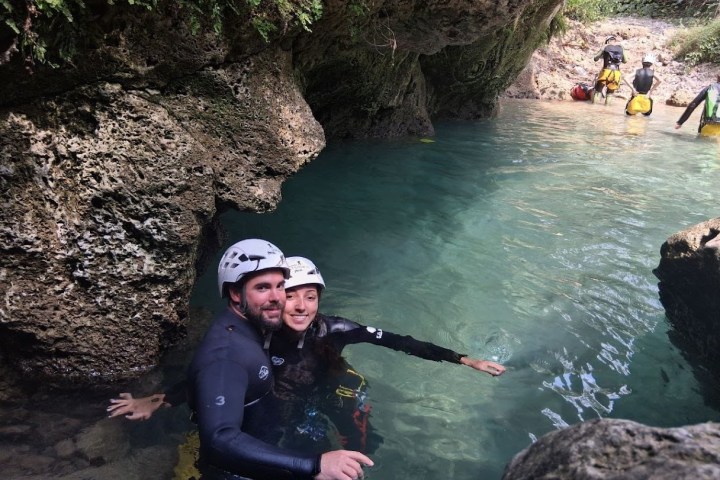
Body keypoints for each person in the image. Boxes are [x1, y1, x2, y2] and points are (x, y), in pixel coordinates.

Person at [109, 256, 505, 457]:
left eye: (310, 297)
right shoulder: (257, 337)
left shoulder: (336, 329)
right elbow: (216, 375)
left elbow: (399, 341)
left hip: (331, 386)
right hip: (282, 400)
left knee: (362, 443)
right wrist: (158, 399)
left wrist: (463, 359)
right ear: (277, 298)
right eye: (292, 295)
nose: (301, 306)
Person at [174, 239, 372, 480]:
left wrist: (160, 399)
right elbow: (219, 440)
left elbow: (211, 385)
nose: (277, 297)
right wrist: (314, 465)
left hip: (266, 448)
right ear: (236, 293)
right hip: (237, 471)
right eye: (262, 288)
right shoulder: (226, 355)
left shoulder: (253, 329)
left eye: (280, 286)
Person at [592, 35, 627, 105]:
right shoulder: (621, 48)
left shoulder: (605, 46)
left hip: (606, 71)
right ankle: (607, 108)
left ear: (607, 41)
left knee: (598, 91)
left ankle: (594, 107)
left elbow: (595, 58)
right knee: (610, 94)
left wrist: (602, 49)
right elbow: (625, 61)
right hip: (616, 73)